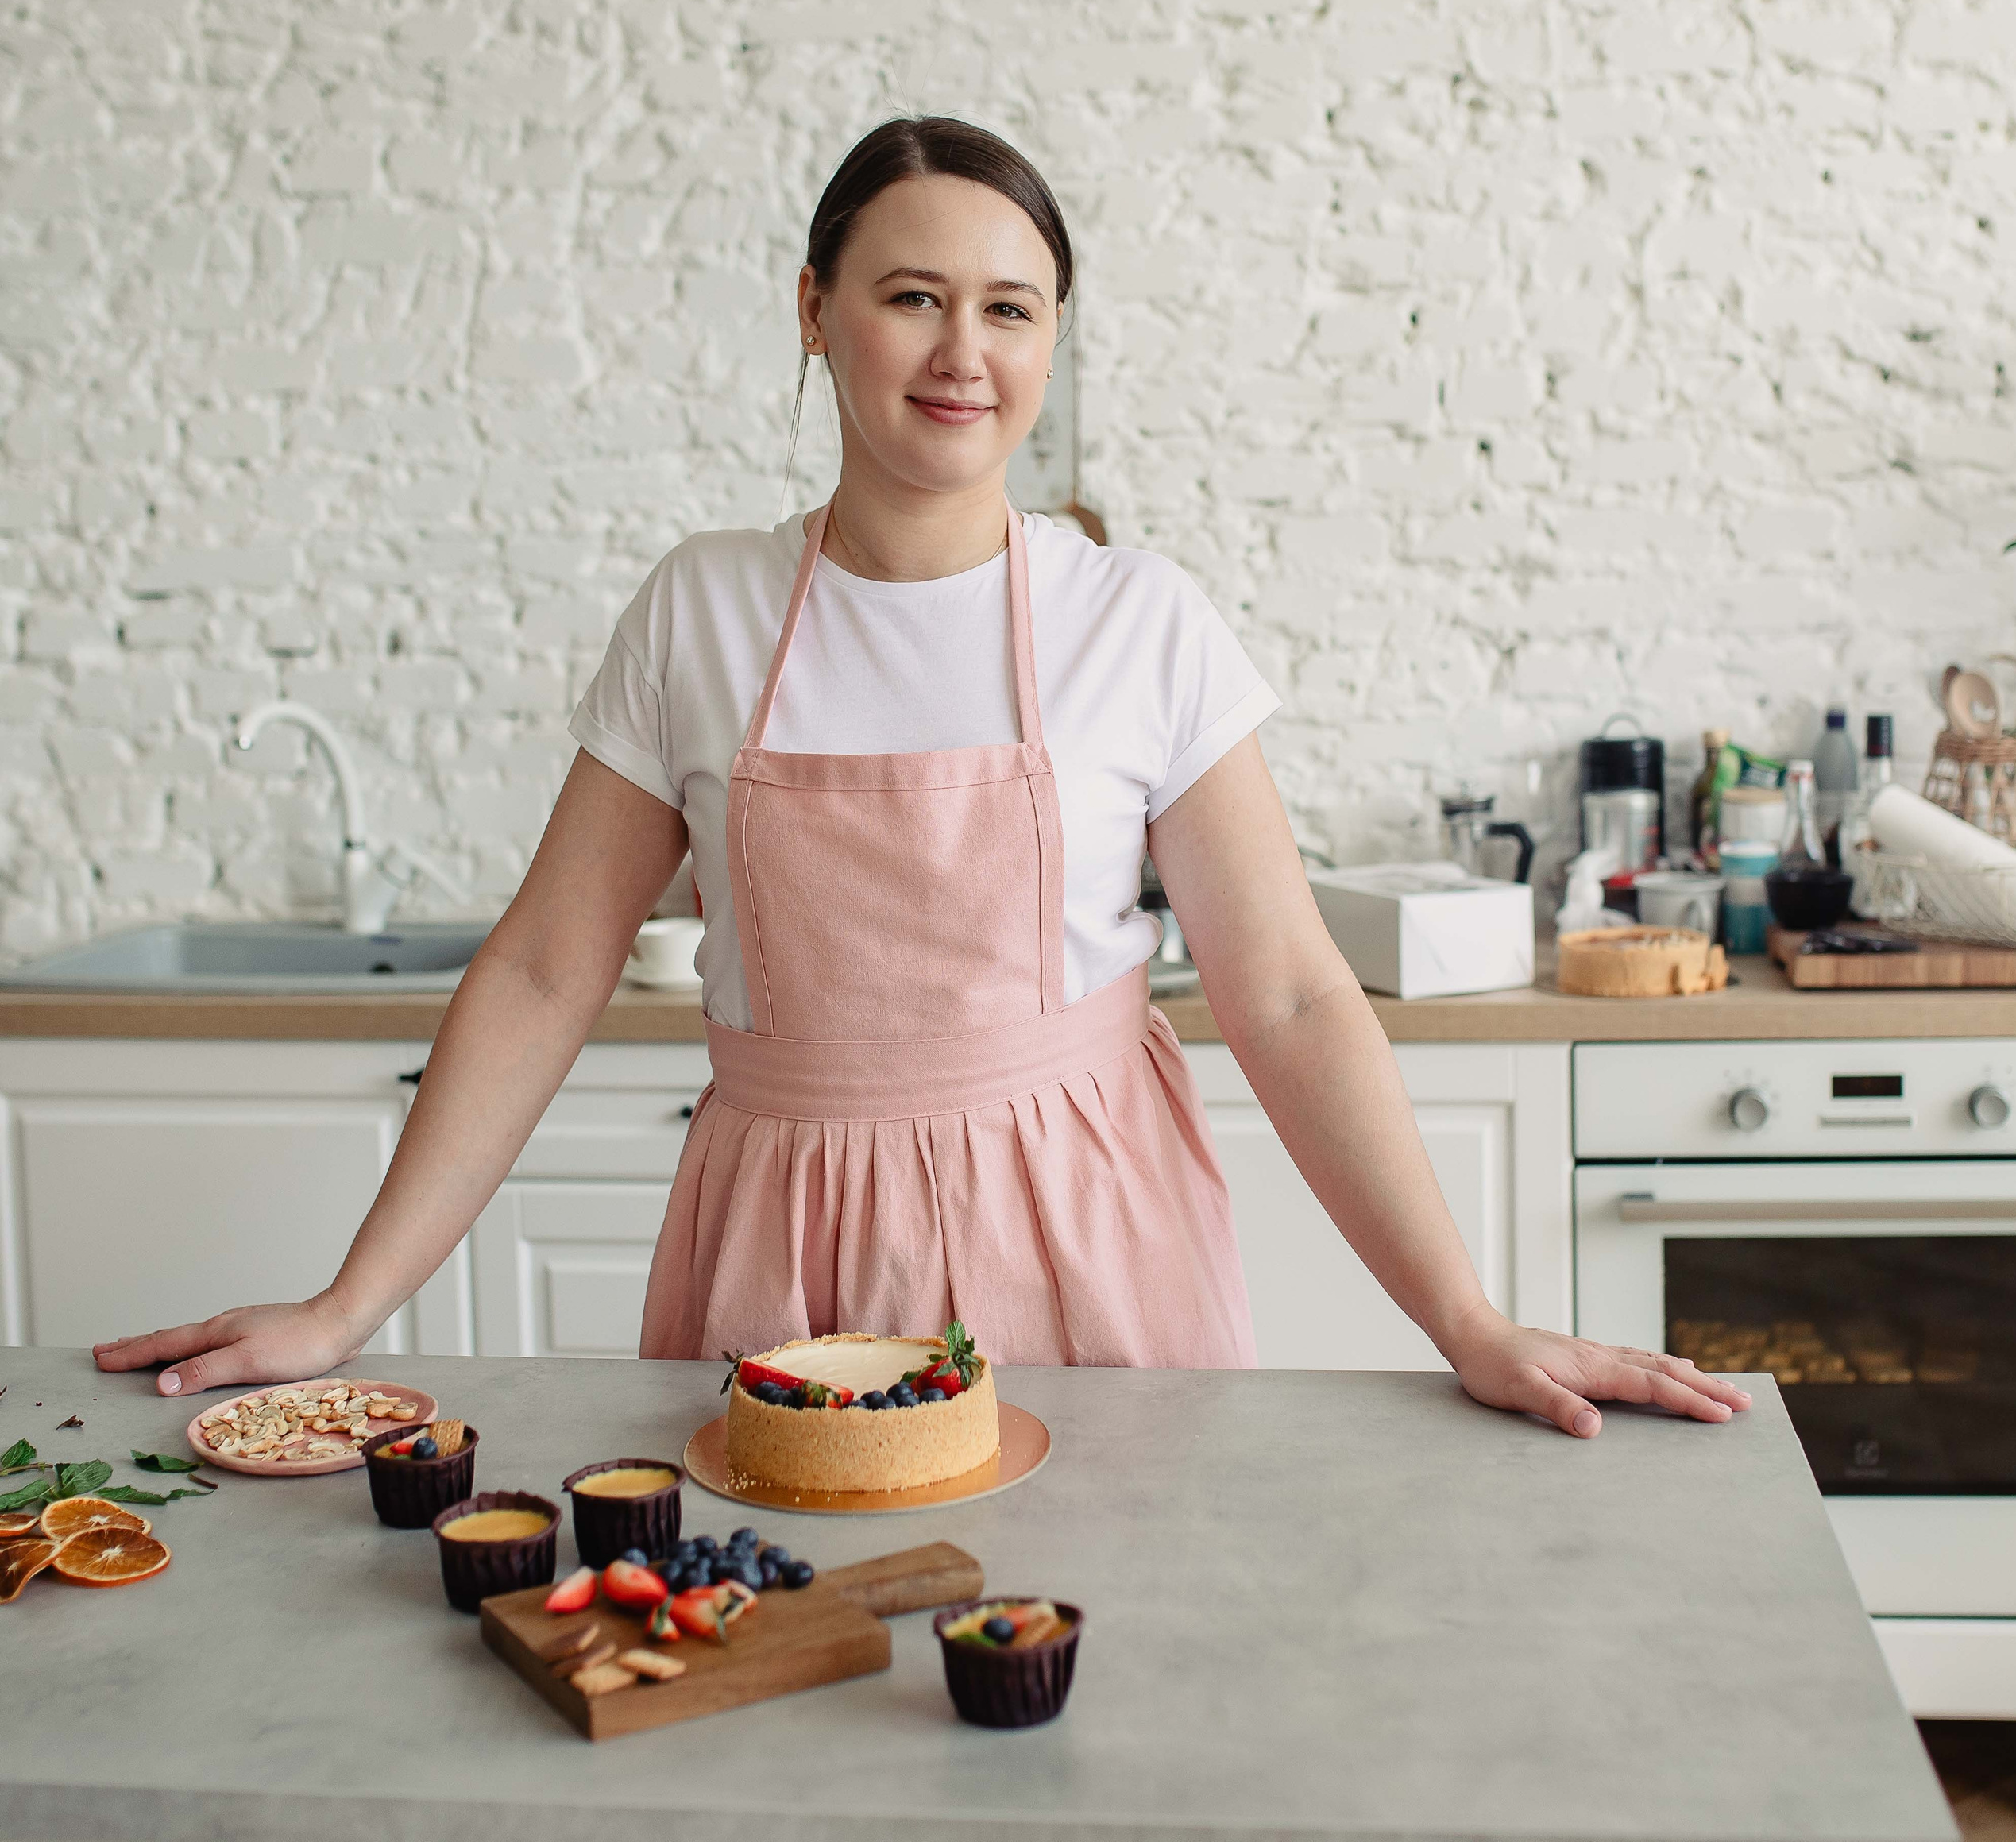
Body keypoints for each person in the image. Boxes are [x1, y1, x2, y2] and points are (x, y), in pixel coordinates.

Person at [96, 116, 1749, 1440]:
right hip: (778, 1237)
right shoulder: (701, 608)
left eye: (1008, 307)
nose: (962, 349)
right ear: (812, 310)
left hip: (1085, 1233)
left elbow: (1293, 994)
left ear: (1048, 341)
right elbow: (540, 970)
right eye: (910, 294)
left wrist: (1462, 1315)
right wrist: (343, 1304)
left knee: (1109, 1672)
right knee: (781, 1666)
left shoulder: (1138, 621)